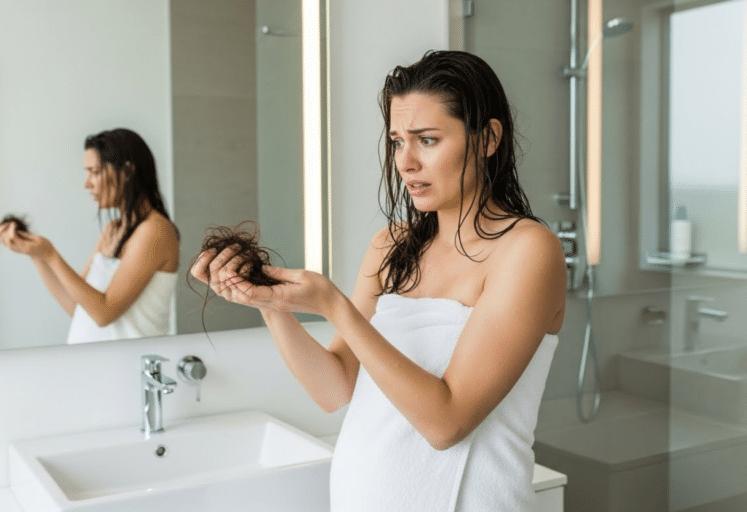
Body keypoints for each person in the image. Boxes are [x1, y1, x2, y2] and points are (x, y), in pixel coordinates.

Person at [191, 50, 566, 511]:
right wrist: (271, 305)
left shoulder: (527, 251)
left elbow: (446, 423)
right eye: (397, 142)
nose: (405, 162)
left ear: (487, 138)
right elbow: (334, 389)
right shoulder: (391, 245)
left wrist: (335, 307)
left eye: (427, 140)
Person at [0, 128, 180, 344]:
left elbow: (104, 313)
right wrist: (36, 255)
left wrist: (50, 254)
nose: (87, 184)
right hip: (93, 361)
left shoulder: (155, 230)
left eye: (95, 172)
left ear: (127, 171)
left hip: (131, 362)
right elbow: (77, 307)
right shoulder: (113, 229)